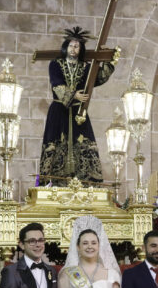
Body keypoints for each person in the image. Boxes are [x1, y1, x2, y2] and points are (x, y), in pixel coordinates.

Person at [38, 26, 115, 185]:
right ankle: (53, 181)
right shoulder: (56, 64)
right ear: (66, 47)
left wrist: (106, 60)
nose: (74, 49)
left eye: (77, 46)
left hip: (79, 112)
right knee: (55, 143)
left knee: (84, 143)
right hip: (59, 110)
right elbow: (56, 83)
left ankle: (85, 182)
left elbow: (98, 79)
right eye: (71, 46)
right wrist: (74, 95)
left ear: (81, 49)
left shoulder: (86, 67)